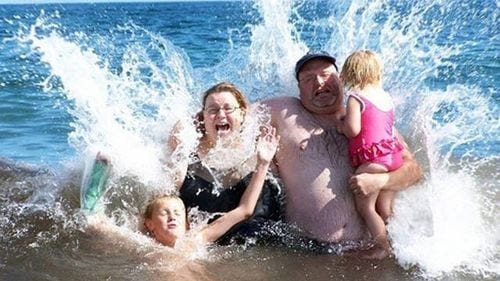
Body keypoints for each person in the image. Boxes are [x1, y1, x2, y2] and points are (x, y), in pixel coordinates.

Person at [261, 51, 422, 257]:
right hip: (309, 252)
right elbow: (234, 113)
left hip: (368, 254)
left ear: (341, 79)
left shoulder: (371, 119)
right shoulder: (283, 110)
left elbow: (414, 171)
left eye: (326, 74)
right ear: (299, 89)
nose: (319, 82)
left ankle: (383, 244)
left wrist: (381, 181)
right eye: (308, 78)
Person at [168, 82, 283, 244]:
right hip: (205, 249)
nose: (221, 115)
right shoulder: (187, 153)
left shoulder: (263, 148)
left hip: (260, 246)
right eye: (213, 110)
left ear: (242, 114)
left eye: (228, 109)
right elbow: (163, 204)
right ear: (203, 117)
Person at [145, 127, 280, 248]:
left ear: (187, 224)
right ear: (150, 224)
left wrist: (263, 163)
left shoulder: (195, 240)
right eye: (164, 213)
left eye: (178, 213)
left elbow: (245, 210)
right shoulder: (142, 244)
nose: (172, 217)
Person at [335, 50, 403, 258]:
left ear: (350, 73)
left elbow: (353, 129)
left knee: (366, 209)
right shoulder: (386, 96)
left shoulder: (355, 97)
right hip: (393, 157)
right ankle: (400, 244)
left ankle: (381, 247)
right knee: (385, 209)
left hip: (373, 160)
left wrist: (341, 126)